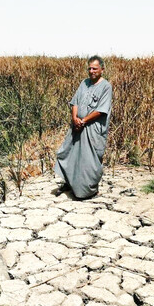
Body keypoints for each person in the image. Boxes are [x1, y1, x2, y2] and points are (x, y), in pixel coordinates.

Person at [54, 55, 113, 199]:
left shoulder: (106, 86)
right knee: (69, 154)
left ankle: (88, 190)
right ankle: (69, 183)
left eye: (95, 68)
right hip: (77, 127)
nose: (92, 71)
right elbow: (75, 102)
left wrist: (84, 121)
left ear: (102, 69)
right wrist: (75, 118)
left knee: (89, 160)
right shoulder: (84, 83)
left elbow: (101, 110)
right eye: (89, 68)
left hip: (93, 130)